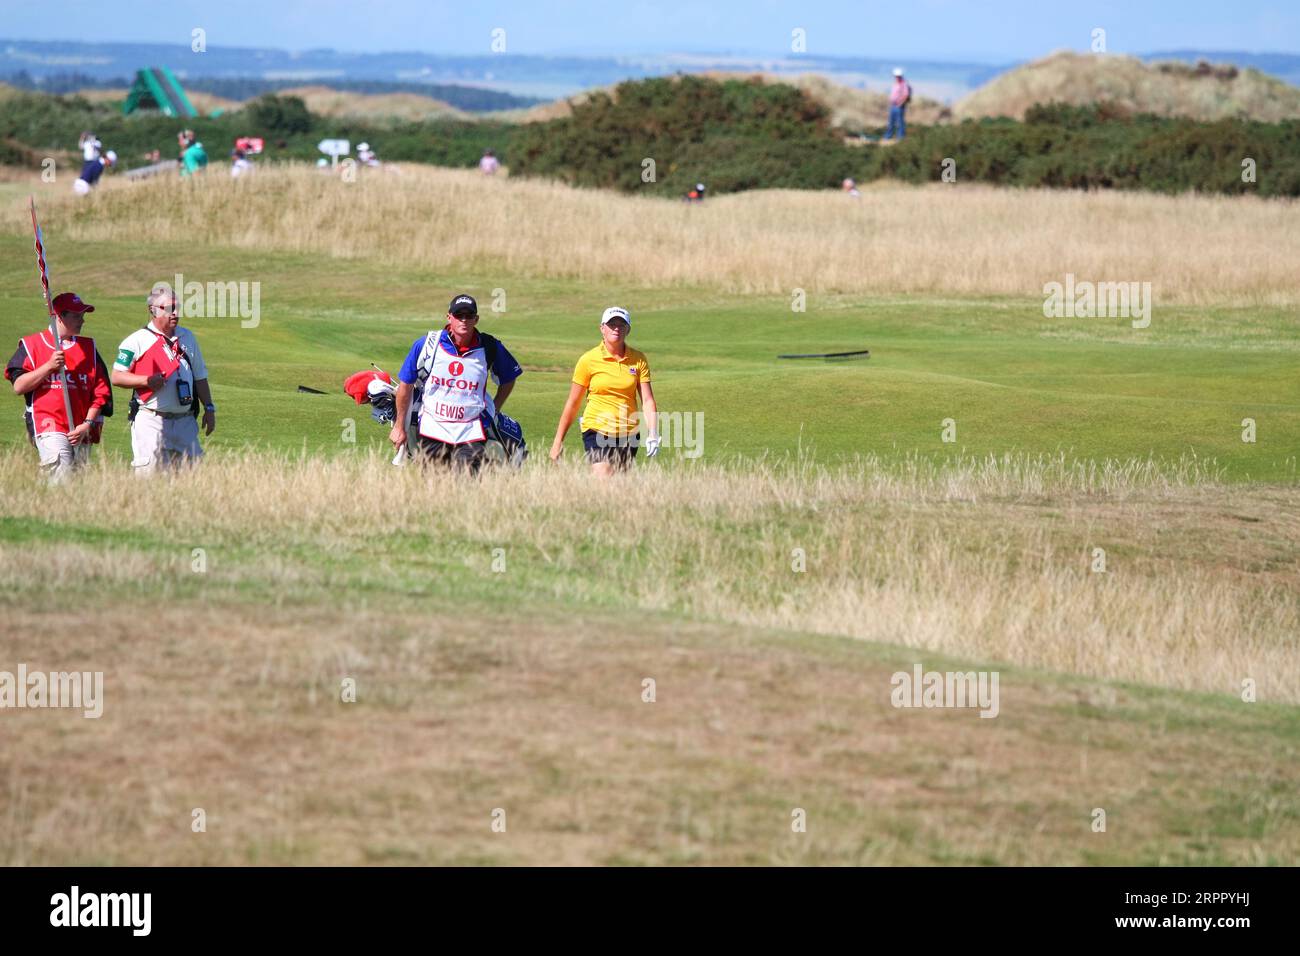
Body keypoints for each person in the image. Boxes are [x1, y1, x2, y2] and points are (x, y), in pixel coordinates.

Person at [388, 294, 523, 471]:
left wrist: (494, 409)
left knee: (464, 479)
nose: (464, 320)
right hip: (432, 428)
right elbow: (405, 385)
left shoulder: (489, 347)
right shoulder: (428, 345)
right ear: (449, 317)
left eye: (469, 316)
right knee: (433, 483)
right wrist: (399, 426)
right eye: (459, 315)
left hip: (471, 430)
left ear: (476, 319)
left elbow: (508, 378)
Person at [5, 292, 113, 483]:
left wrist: (87, 425)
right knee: (60, 478)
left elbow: (101, 392)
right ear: (59, 316)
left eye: (83, 315)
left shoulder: (89, 348)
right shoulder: (32, 345)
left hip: (81, 428)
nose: (82, 320)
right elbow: (19, 386)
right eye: (76, 316)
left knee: (79, 485)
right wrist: (48, 367)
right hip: (48, 425)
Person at [111, 285, 215, 475]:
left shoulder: (188, 337)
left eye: (176, 307)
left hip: (185, 420)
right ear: (152, 310)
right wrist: (146, 381)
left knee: (194, 480)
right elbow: (117, 376)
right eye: (168, 309)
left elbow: (200, 376)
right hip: (151, 420)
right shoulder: (136, 340)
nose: (175, 313)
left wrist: (209, 407)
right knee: (150, 479)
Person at [550, 307, 659, 476]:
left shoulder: (638, 360)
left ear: (628, 329)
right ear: (602, 328)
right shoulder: (588, 360)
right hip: (596, 429)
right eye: (611, 324)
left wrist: (652, 433)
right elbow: (573, 403)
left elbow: (648, 400)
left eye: (621, 324)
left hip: (628, 432)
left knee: (619, 486)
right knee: (603, 476)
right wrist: (558, 441)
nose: (616, 328)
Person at [883, 67, 912, 141]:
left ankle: (900, 137)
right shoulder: (895, 83)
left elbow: (906, 95)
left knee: (900, 122)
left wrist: (900, 104)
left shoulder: (904, 84)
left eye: (897, 76)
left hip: (899, 106)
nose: (896, 77)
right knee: (891, 122)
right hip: (893, 105)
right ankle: (888, 136)